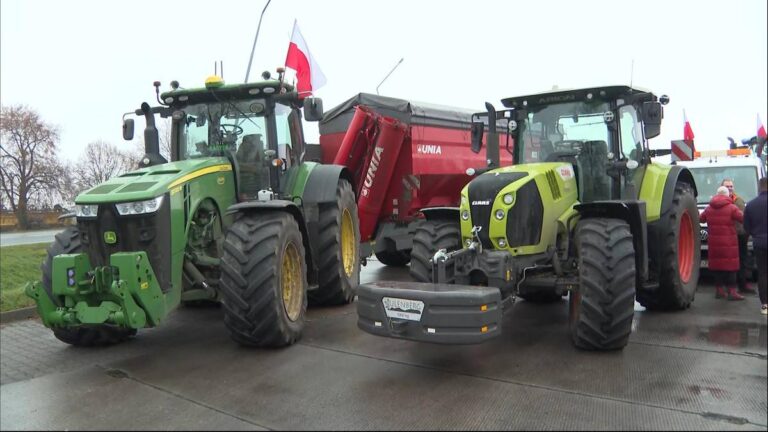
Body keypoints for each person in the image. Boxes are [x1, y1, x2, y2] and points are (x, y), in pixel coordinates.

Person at [700, 186, 745, 301]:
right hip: (729, 243)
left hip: (714, 243)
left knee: (717, 266)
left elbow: (701, 219)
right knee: (731, 267)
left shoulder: (709, 208)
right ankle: (732, 291)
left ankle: (719, 290)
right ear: (727, 195)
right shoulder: (732, 208)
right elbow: (742, 218)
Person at [721, 178, 756, 294]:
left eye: (731, 186)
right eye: (727, 186)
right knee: (727, 262)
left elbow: (744, 218)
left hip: (741, 235)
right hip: (727, 236)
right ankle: (728, 286)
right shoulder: (718, 201)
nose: (730, 188)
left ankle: (742, 284)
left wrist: (746, 231)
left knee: (742, 260)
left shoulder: (739, 200)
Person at [743, 177, 768, 315]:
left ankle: (765, 305)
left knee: (763, 273)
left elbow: (746, 227)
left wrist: (756, 234)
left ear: (759, 187)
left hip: (759, 242)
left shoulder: (751, 205)